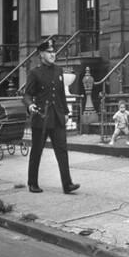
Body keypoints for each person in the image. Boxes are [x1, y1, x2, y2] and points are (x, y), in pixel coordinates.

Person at [22, 39, 80, 194]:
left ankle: (67, 184)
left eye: (54, 51)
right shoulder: (34, 73)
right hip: (41, 118)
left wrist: (66, 113)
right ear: (41, 54)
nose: (53, 54)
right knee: (37, 151)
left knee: (62, 151)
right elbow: (27, 94)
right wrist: (30, 105)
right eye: (49, 52)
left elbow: (61, 94)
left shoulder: (58, 70)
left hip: (57, 117)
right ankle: (32, 183)